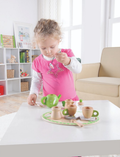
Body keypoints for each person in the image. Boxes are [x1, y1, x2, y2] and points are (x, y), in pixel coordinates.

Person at [27, 19, 82, 106]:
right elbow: (36, 81)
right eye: (43, 48)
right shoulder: (37, 62)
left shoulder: (67, 54)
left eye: (52, 47)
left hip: (70, 101)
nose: (48, 51)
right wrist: (33, 93)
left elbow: (78, 69)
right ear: (38, 44)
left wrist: (68, 61)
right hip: (50, 102)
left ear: (59, 40)